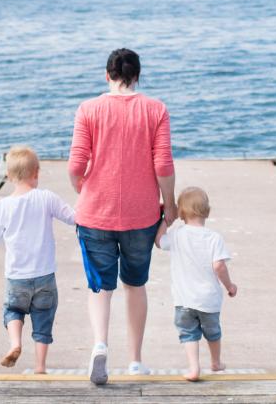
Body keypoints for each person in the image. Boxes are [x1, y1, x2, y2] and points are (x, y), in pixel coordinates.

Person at [69, 48, 176, 384]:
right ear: (138, 75)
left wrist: (83, 188)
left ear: (107, 76)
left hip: (95, 213)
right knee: (135, 285)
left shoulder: (88, 109)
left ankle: (100, 345)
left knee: (101, 288)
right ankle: (135, 361)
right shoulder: (156, 109)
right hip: (142, 215)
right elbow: (163, 165)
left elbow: (75, 165)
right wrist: (169, 205)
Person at [0, 145, 76, 374]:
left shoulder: (3, 206)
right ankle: (40, 366)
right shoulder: (46, 198)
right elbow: (74, 218)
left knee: (13, 310)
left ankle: (15, 343)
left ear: (8, 176)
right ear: (36, 172)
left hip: (17, 276)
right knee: (43, 320)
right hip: (44, 275)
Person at [156, 187, 236, 382]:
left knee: (188, 334)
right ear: (207, 209)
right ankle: (216, 362)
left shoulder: (177, 235)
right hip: (208, 299)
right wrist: (229, 286)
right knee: (213, 332)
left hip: (183, 300)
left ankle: (193, 368)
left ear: (181, 212)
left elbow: (159, 241)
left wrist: (166, 220)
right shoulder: (214, 238)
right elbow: (219, 266)